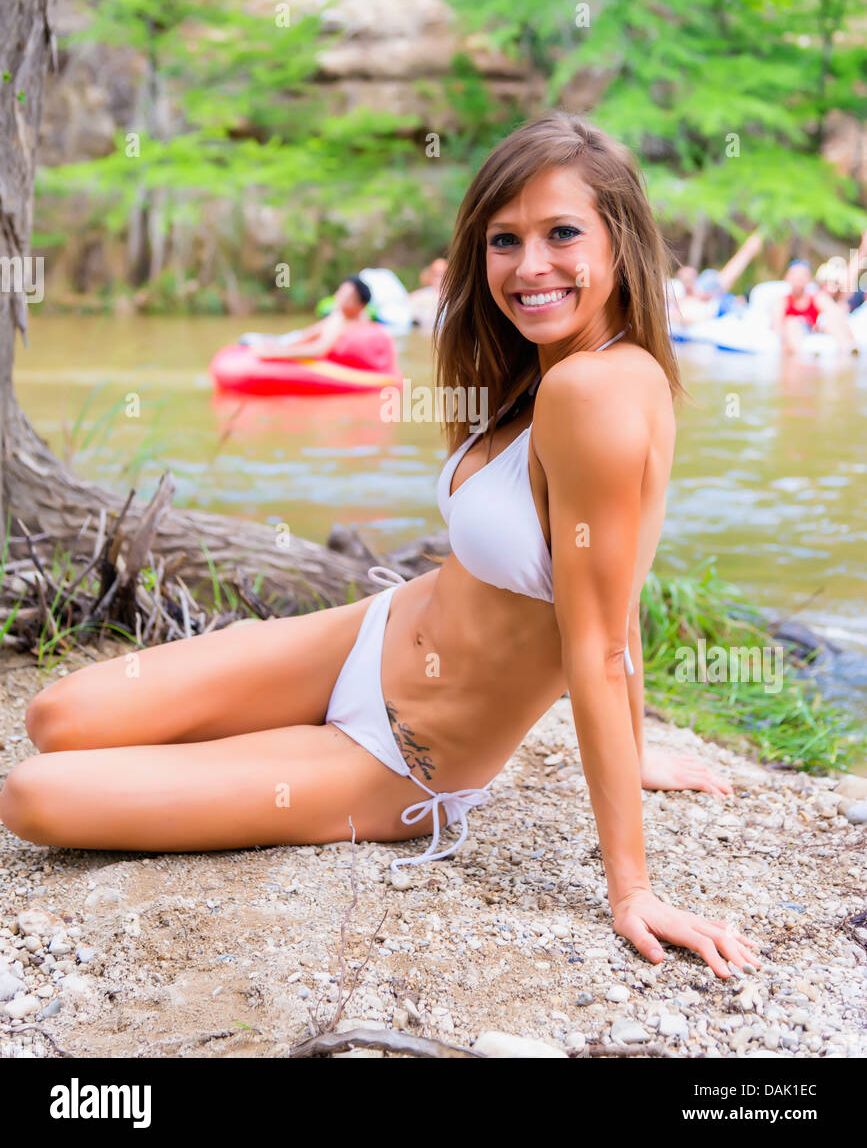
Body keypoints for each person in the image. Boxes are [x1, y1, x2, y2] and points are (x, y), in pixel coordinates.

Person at [1, 113, 761, 980]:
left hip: (400, 754)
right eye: (504, 239)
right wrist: (636, 751)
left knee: (33, 796)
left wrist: (632, 890)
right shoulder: (554, 370)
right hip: (365, 634)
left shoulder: (594, 392)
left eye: (561, 234)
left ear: (620, 240)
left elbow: (595, 634)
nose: (529, 266)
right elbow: (615, 596)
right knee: (54, 717)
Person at [248, 275, 372, 361]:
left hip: (290, 342)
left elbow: (318, 350)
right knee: (250, 339)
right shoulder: (356, 316)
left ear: (359, 305)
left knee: (247, 339)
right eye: (341, 291)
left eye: (346, 295)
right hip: (292, 339)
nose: (338, 296)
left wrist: (273, 353)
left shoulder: (341, 319)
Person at [668, 231, 762, 326]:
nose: (687, 276)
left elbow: (726, 277)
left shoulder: (704, 285)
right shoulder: (687, 303)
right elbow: (691, 316)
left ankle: (749, 249)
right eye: (684, 278)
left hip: (727, 302)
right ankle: (749, 249)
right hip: (718, 307)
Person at [772, 259, 856, 356]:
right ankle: (801, 356)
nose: (798, 279)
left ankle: (850, 350)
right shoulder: (782, 301)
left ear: (809, 280)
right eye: (795, 275)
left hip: (812, 329)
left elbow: (836, 314)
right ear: (787, 278)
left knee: (831, 323)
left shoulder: (817, 298)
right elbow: (777, 327)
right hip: (793, 334)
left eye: (802, 276)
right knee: (791, 322)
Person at [408, 258, 447, 330]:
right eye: (436, 274)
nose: (439, 278)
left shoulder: (455, 297)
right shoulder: (418, 296)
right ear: (430, 275)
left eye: (442, 274)